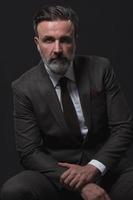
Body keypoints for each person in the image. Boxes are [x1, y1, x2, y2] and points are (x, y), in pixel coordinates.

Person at [1, 5, 133, 200]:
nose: (57, 49)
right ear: (37, 43)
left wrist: (93, 169)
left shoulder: (100, 69)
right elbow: (29, 151)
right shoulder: (23, 88)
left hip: (106, 168)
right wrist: (80, 184)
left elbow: (123, 127)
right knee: (14, 190)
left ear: (75, 41)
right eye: (48, 40)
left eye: (64, 40)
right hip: (57, 175)